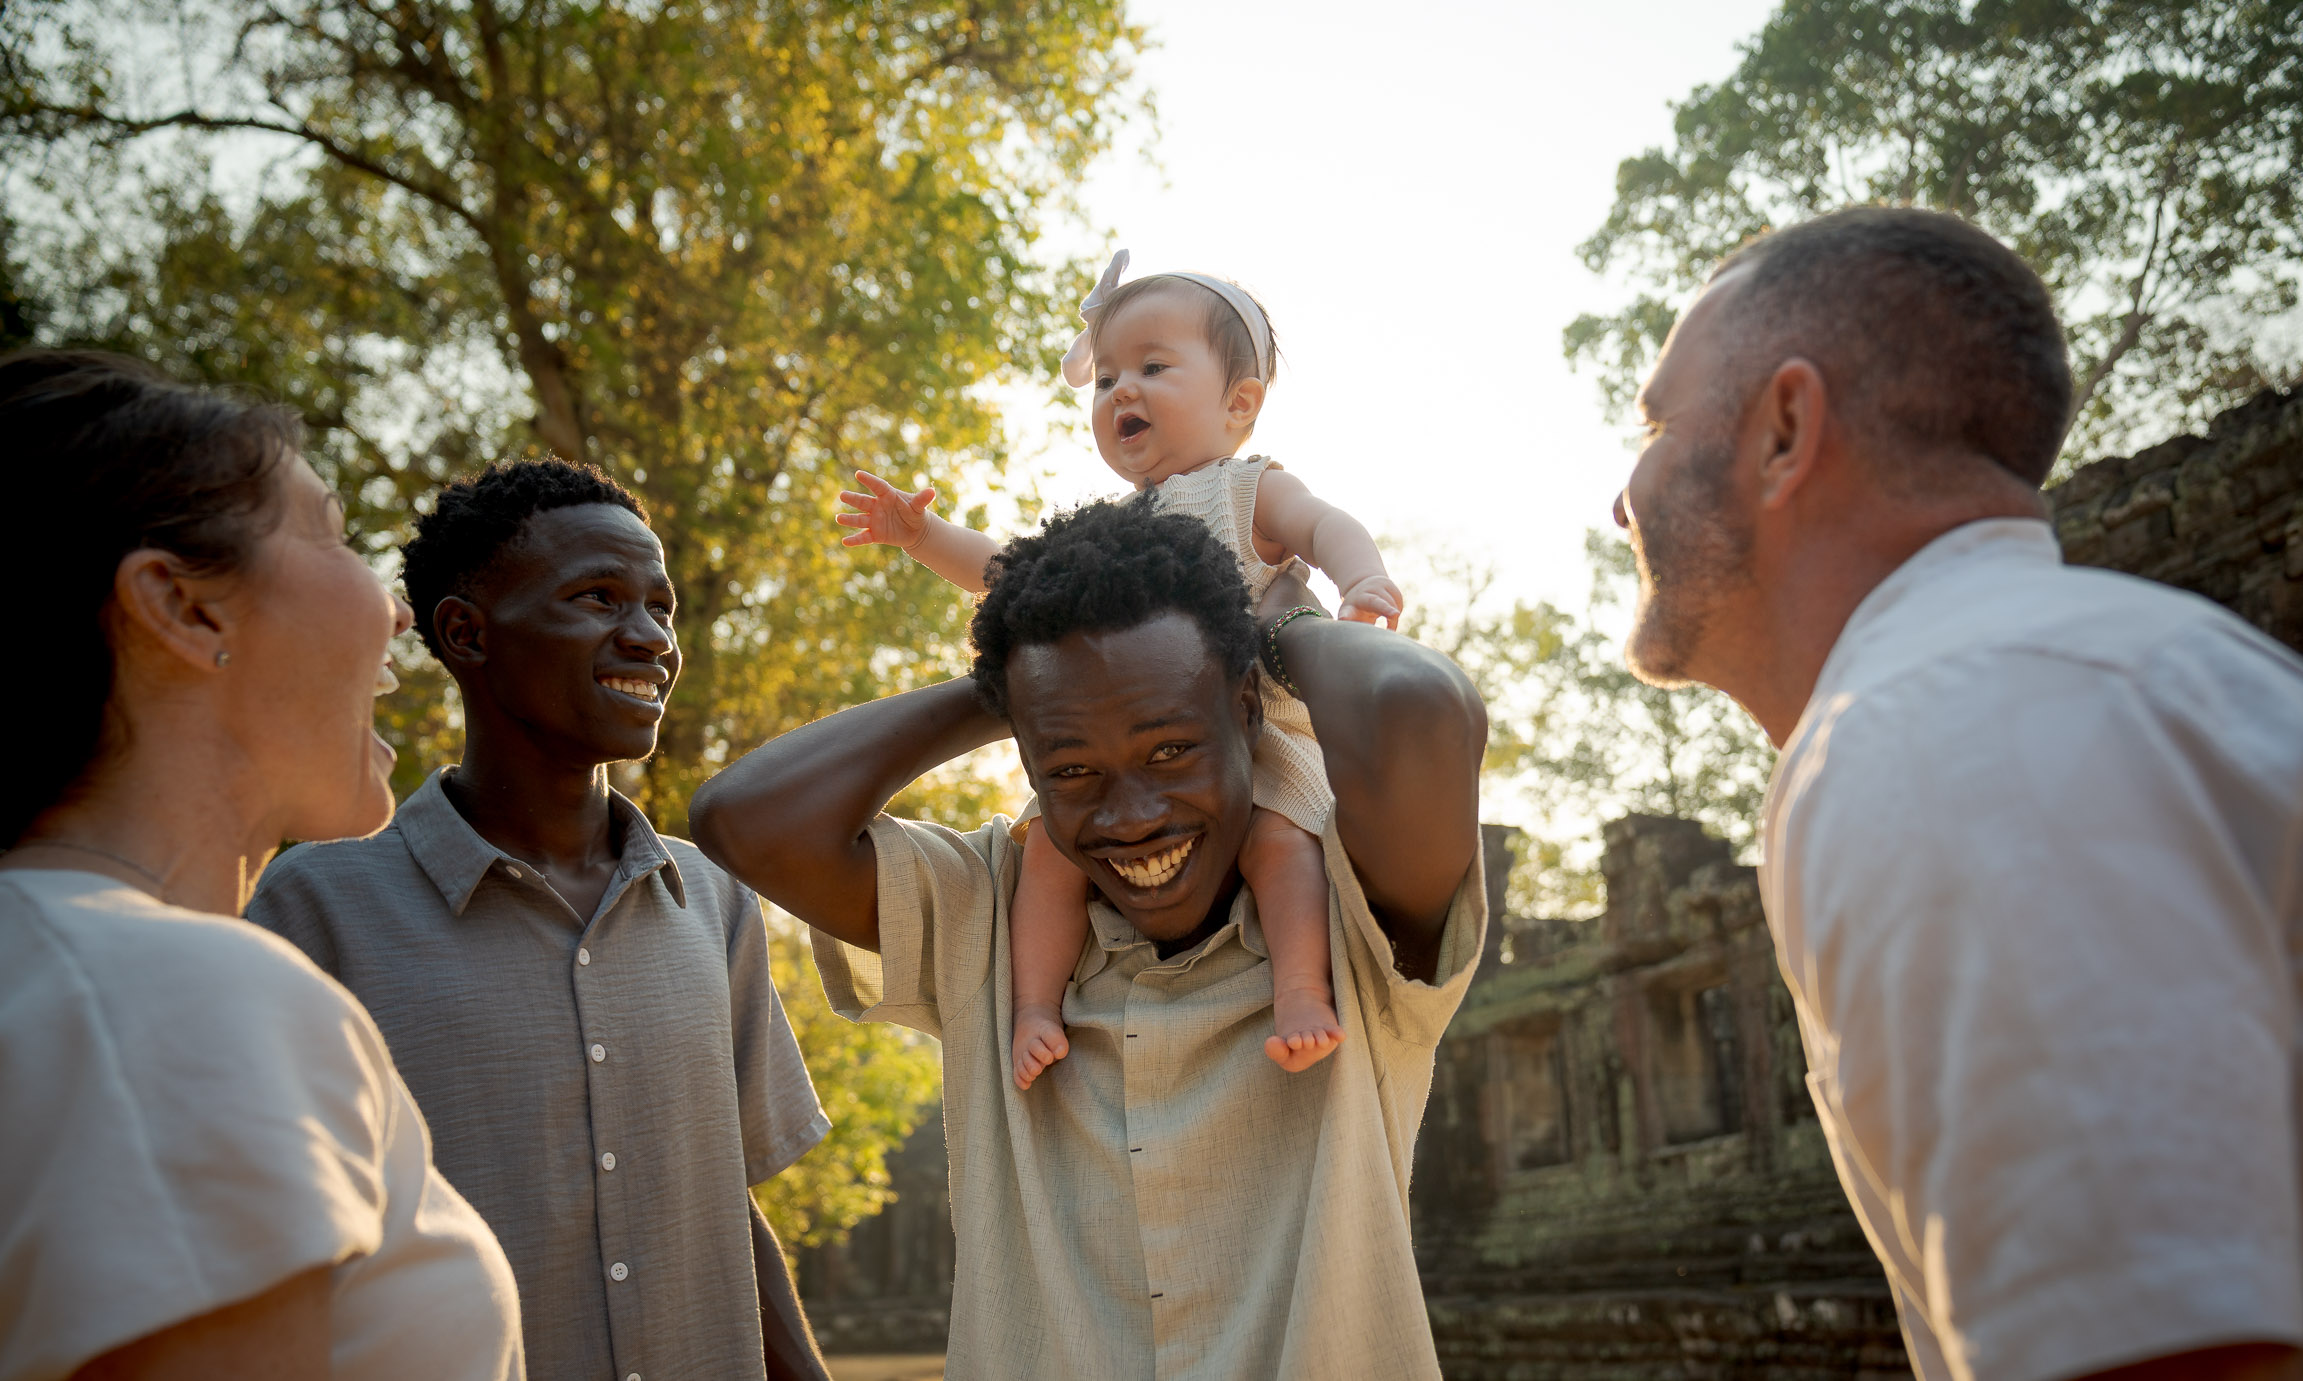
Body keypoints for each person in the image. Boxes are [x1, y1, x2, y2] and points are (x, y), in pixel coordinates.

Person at [1611, 205, 2303, 1380]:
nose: (1621, 501)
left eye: (1660, 422)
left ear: (1784, 431)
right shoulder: (2051, 682)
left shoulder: (1955, 726)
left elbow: (2158, 1354)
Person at [690, 495, 1486, 1380]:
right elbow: (744, 819)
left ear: (1247, 712)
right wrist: (1026, 685)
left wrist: (1277, 630)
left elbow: (1420, 707)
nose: (1133, 817)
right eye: (1069, 769)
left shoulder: (1349, 909)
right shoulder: (994, 910)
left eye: (1171, 750)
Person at [247, 459, 833, 1381]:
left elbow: (726, 1199)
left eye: (661, 606)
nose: (649, 638)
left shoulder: (713, 897)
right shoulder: (313, 910)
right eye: (598, 598)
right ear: (466, 634)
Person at [0, 350, 524, 1380]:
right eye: (332, 533)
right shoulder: (172, 999)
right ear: (184, 608)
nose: (400, 613)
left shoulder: (58, 972)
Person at [839, 250, 1403, 1087]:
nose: (1120, 392)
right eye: (1104, 379)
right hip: (1119, 748)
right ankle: (1034, 1006)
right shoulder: (1107, 528)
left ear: (1238, 402)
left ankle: (1300, 989)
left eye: (1151, 366)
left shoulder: (1248, 492)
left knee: (1284, 843)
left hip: (1253, 737)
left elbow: (1325, 525)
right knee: (1049, 857)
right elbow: (1008, 573)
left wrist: (1363, 579)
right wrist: (923, 537)